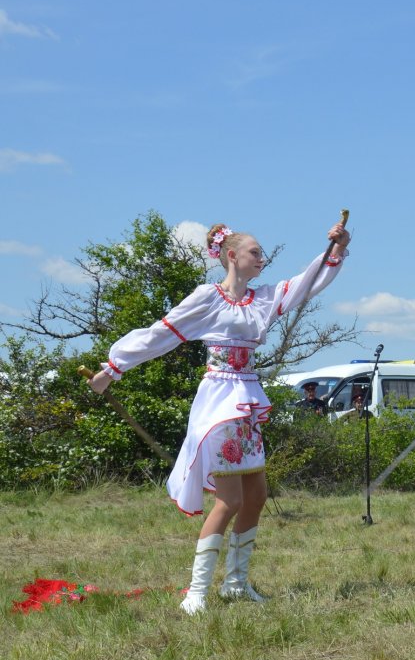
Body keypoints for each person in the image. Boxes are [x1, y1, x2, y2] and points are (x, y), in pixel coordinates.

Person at [89, 221, 351, 614]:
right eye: (255, 253)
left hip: (247, 400)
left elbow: (307, 282)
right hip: (220, 401)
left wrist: (336, 248)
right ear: (232, 255)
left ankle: (235, 584)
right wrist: (113, 369)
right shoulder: (206, 298)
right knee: (228, 500)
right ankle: (196, 593)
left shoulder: (263, 298)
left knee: (257, 495)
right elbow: (161, 333)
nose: (262, 259)